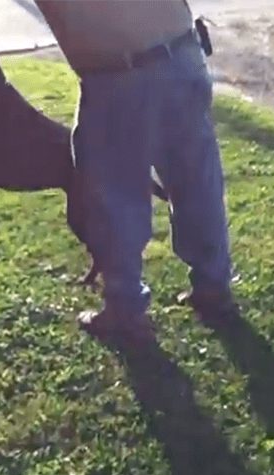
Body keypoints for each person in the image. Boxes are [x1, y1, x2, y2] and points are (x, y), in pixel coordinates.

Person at [34, 0, 237, 341]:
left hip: (120, 74)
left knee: (115, 192)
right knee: (195, 182)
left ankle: (125, 308)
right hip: (183, 55)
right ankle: (213, 285)